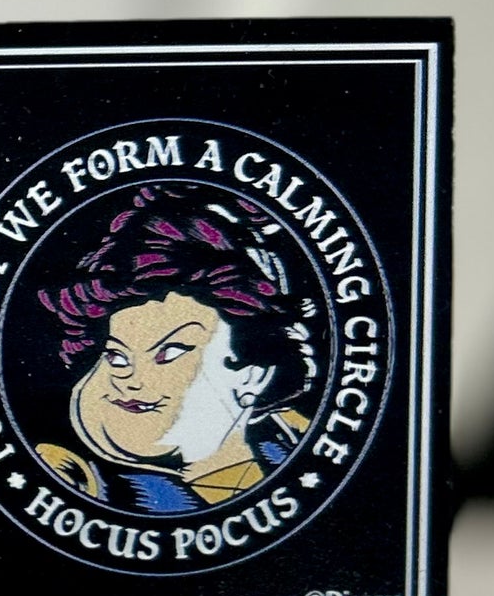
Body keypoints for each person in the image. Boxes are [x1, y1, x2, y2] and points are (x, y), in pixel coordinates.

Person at [34, 182, 318, 513]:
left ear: (252, 375)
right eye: (116, 356)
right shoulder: (88, 487)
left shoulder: (296, 450)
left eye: (169, 353)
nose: (130, 380)